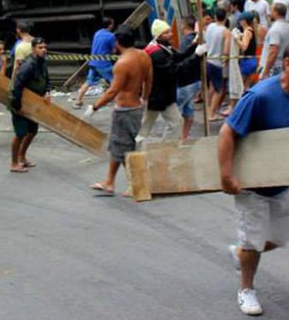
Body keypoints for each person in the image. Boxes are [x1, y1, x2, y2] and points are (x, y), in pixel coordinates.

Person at [219, 40, 289, 316]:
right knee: (253, 241)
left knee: (279, 238)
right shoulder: (260, 96)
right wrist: (226, 175)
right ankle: (246, 289)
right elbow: (227, 132)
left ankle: (241, 253)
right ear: (288, 64)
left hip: (282, 183)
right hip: (250, 184)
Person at [85, 26, 152, 195]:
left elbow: (112, 91)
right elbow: (149, 80)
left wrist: (94, 107)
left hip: (125, 110)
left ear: (117, 42)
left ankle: (135, 184)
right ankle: (109, 181)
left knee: (125, 148)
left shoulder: (122, 64)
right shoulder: (144, 56)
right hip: (136, 106)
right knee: (118, 146)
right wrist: (144, 98)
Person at [140, 20, 205, 141]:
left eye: (170, 31)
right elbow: (176, 69)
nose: (171, 34)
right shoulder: (157, 53)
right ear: (159, 36)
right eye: (166, 33)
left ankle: (165, 147)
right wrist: (196, 56)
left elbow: (179, 56)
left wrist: (194, 45)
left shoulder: (163, 47)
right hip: (158, 96)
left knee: (172, 124)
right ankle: (159, 148)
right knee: (150, 127)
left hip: (163, 95)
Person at [9, 37, 51, 173]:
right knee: (20, 134)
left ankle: (22, 157)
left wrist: (48, 92)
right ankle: (14, 163)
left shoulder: (42, 62)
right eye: (40, 47)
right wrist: (17, 106)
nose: (44, 50)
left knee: (32, 131)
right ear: (33, 49)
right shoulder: (28, 65)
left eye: (45, 47)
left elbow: (47, 79)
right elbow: (17, 86)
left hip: (34, 103)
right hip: (20, 103)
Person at [73, 17, 117, 109]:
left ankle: (78, 101)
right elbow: (113, 51)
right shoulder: (111, 36)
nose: (113, 25)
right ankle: (118, 101)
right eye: (112, 23)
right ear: (110, 25)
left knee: (88, 82)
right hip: (104, 64)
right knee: (115, 81)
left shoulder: (97, 33)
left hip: (93, 62)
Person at [175, 19, 203, 141]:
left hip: (186, 81)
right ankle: (184, 137)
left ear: (184, 25)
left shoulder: (187, 41)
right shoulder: (196, 40)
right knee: (188, 111)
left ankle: (176, 139)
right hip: (195, 80)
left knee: (176, 112)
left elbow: (183, 61)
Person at [260, 3, 289, 80]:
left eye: (271, 11)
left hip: (275, 69)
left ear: (275, 12)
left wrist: (265, 71)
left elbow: (273, 52)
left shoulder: (275, 30)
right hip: (287, 67)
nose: (269, 14)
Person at [204, 8, 228, 119]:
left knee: (212, 87)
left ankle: (208, 110)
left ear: (215, 17)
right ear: (225, 17)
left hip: (209, 60)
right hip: (217, 63)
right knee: (219, 89)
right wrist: (225, 60)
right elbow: (226, 51)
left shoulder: (210, 27)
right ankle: (211, 114)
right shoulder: (225, 31)